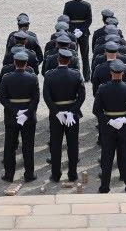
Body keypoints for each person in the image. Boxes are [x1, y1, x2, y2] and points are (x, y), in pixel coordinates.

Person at [94, 59, 126, 193]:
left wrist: (108, 120)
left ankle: (104, 187)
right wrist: (125, 119)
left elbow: (96, 110)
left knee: (107, 159)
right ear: (123, 73)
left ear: (111, 72)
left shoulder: (103, 88)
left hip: (108, 128)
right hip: (124, 128)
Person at [43, 48, 86, 183]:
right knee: (73, 144)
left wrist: (56, 112)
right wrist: (72, 111)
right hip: (72, 114)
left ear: (58, 60)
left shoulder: (49, 75)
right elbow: (82, 96)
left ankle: (56, 175)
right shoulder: (76, 75)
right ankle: (72, 174)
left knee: (56, 145)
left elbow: (47, 97)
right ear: (69, 61)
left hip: (56, 115)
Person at [0, 49, 40, 183]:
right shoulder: (32, 78)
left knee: (9, 146)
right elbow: (36, 99)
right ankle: (29, 174)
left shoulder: (6, 77)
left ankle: (9, 175)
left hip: (11, 116)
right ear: (26, 63)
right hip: (28, 116)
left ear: (15, 62)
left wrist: (15, 111)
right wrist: (26, 112)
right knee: (28, 146)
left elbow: (3, 99)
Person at [62, 0, 93, 79]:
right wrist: (81, 30)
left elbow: (65, 20)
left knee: (72, 55)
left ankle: (74, 76)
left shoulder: (68, 5)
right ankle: (87, 76)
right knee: (85, 56)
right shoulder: (87, 5)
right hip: (84, 33)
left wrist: (73, 30)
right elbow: (89, 20)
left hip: (71, 33)